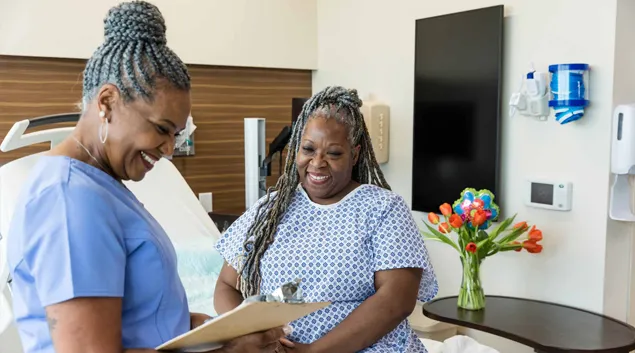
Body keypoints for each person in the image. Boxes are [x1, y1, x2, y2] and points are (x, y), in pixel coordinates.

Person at [6, 1, 289, 352]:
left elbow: (149, 320)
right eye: (162, 129)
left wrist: (221, 332)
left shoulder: (104, 187)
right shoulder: (69, 200)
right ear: (107, 102)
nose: (169, 148)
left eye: (178, 135)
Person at [214, 86, 439, 352]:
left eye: (333, 153)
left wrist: (314, 351)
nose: (317, 162)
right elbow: (227, 285)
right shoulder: (270, 210)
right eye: (308, 149)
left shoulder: (382, 208)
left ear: (354, 155)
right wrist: (251, 337)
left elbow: (397, 301)